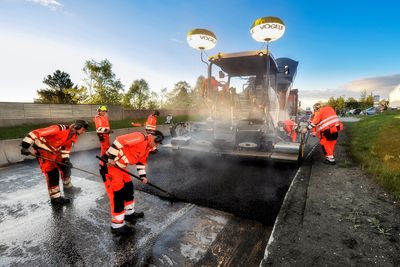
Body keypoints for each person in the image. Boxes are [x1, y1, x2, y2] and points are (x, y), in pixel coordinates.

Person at [99, 132, 163, 235]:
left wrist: (143, 176)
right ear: (153, 138)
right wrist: (110, 157)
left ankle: (129, 213)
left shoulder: (146, 149)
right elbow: (119, 140)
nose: (156, 146)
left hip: (121, 167)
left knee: (129, 188)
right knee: (118, 195)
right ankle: (117, 226)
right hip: (109, 166)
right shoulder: (140, 137)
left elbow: (141, 163)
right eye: (157, 143)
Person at [20, 120, 89, 204]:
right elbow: (35, 133)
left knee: (65, 167)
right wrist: (25, 146)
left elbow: (66, 149)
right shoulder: (59, 128)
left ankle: (68, 187)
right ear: (77, 126)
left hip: (55, 151)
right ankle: (55, 197)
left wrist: (66, 160)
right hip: (43, 150)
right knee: (52, 173)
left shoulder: (74, 136)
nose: (84, 132)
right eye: (83, 130)